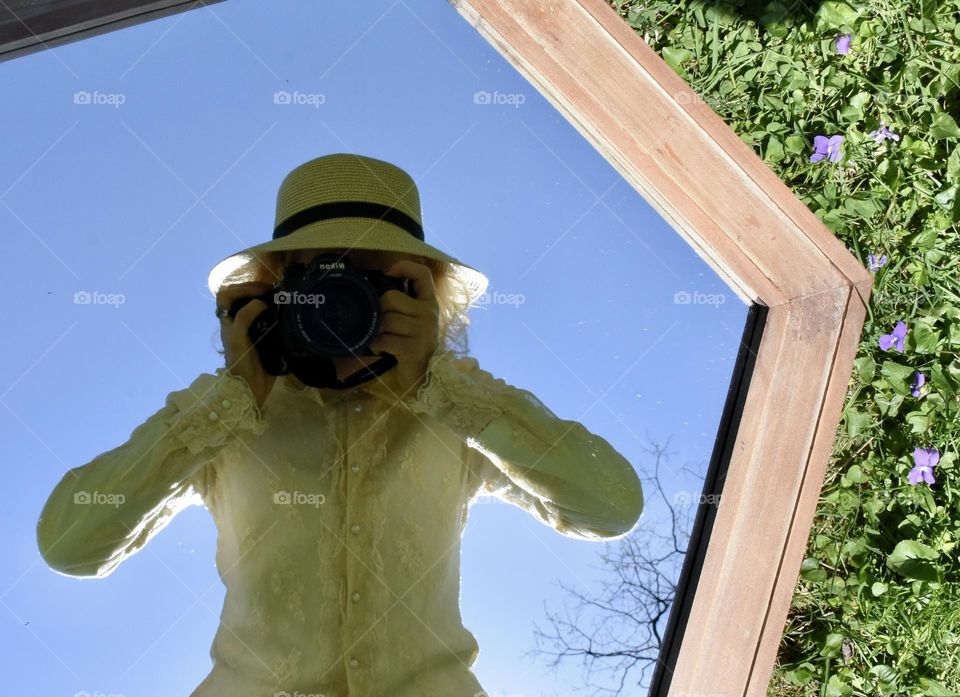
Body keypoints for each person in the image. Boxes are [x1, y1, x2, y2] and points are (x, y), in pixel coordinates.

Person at [36, 153, 644, 697]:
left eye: (372, 280)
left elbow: (611, 506)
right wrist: (230, 398)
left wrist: (444, 384)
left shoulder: (460, 417)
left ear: (423, 292)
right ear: (276, 287)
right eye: (321, 278)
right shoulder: (226, 421)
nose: (342, 300)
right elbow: (70, 546)